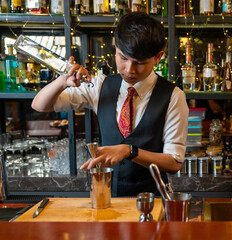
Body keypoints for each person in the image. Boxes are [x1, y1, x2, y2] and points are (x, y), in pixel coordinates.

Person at [31, 12, 189, 196]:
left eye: (140, 63)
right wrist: (63, 81)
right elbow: (39, 105)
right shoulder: (99, 86)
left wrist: (129, 151)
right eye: (123, 58)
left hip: (151, 201)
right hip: (106, 197)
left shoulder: (173, 96)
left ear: (158, 57)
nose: (129, 69)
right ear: (115, 47)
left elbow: (174, 163)